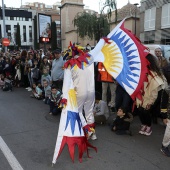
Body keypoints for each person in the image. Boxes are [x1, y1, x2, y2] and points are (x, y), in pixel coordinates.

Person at [136, 54, 166, 136]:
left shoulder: (154, 74)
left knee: (146, 111)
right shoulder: (142, 72)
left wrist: (151, 101)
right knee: (140, 111)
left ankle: (148, 126)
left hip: (149, 96)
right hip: (141, 95)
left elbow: (154, 90)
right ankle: (144, 124)